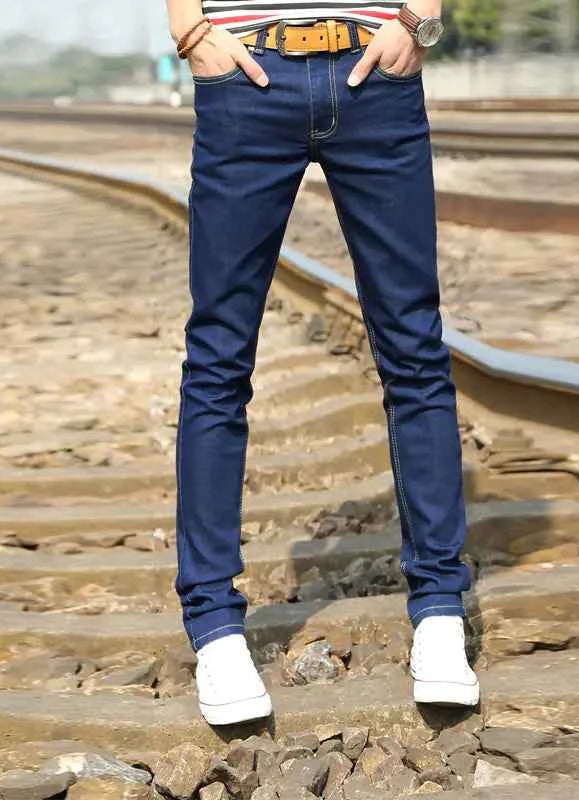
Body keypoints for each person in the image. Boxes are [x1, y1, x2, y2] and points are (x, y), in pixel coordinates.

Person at [166, 0, 479, 726]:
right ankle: (214, 625)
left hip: (377, 70)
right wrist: (190, 31)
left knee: (413, 348)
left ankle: (439, 609)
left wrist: (420, 17)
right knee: (218, 357)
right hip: (244, 75)